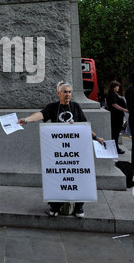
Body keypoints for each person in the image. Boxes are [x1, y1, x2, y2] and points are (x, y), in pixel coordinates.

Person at [18, 81, 105, 218]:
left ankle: (79, 206)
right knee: (57, 176)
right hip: (58, 151)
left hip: (75, 152)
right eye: (65, 92)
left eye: (70, 92)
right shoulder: (52, 107)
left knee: (77, 176)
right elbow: (40, 115)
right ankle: (55, 206)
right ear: (58, 93)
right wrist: (26, 120)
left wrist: (97, 137)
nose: (68, 94)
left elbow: (84, 127)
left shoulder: (76, 107)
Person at [106, 81, 128, 154]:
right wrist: (124, 109)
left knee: (116, 132)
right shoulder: (112, 95)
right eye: (117, 86)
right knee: (115, 132)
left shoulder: (114, 94)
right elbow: (114, 104)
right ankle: (115, 148)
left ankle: (115, 147)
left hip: (117, 116)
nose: (118, 88)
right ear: (113, 87)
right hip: (115, 116)